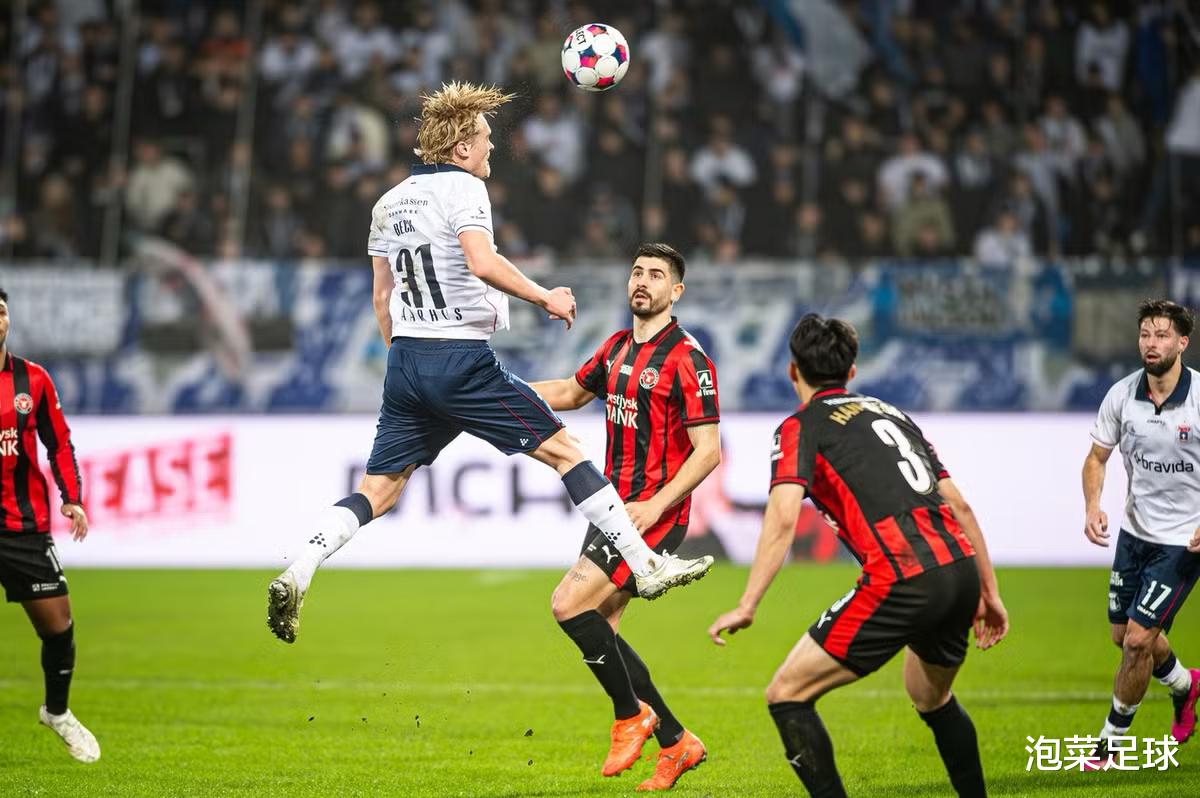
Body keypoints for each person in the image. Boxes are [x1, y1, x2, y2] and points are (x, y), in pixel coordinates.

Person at [266, 83, 713, 643]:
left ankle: (300, 567)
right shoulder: (465, 188)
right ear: (461, 148)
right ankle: (644, 564)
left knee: (379, 489)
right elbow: (481, 261)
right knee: (565, 451)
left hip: (405, 360)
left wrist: (405, 363)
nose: (491, 148)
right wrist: (544, 296)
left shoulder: (388, 202)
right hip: (460, 357)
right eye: (484, 138)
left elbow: (382, 298)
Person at [708, 314, 1008, 798]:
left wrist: (748, 604)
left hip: (903, 575)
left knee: (787, 694)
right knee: (931, 696)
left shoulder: (800, 427)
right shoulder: (892, 413)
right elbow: (960, 506)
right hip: (959, 570)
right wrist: (989, 591)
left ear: (792, 371)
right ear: (850, 372)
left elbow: (783, 518)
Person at [530, 243, 719, 791]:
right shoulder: (615, 347)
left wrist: (657, 504)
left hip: (653, 515)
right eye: (637, 272)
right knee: (602, 632)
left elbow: (708, 451)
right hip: (613, 508)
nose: (642, 281)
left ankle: (631, 717)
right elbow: (570, 392)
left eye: (656, 275)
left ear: (675, 291)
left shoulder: (688, 358)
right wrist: (495, 394)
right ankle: (677, 742)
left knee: (568, 605)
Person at [1081, 299, 1200, 766]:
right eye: (1146, 334)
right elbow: (1096, 458)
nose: (1151, 344)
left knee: (1136, 642)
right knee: (1123, 635)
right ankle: (1186, 685)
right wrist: (1093, 505)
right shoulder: (1122, 395)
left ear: (1182, 342)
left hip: (1183, 542)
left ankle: (1110, 744)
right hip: (1134, 534)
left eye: (1162, 335)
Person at [0, 288, 99, 763]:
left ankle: (56, 712)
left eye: (0, 311)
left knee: (59, 628)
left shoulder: (32, 379)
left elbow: (59, 443)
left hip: (22, 527)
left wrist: (72, 498)